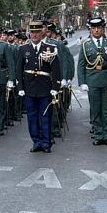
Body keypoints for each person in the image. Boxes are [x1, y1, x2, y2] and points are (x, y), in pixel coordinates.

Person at [77, 18, 107, 146]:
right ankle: (98, 134)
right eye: (94, 28)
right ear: (91, 30)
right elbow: (81, 65)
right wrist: (82, 82)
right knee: (95, 108)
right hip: (92, 80)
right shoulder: (86, 45)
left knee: (106, 109)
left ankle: (106, 135)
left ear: (103, 29)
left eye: (99, 28)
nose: (96, 30)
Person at [17, 21, 61, 153]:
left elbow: (56, 70)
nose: (34, 35)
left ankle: (46, 142)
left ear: (42, 33)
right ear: (29, 33)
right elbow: (18, 70)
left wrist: (55, 86)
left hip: (45, 87)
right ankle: (36, 141)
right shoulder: (23, 49)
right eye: (32, 32)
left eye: (37, 32)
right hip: (29, 88)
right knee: (32, 116)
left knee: (45, 116)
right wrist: (20, 87)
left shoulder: (50, 48)